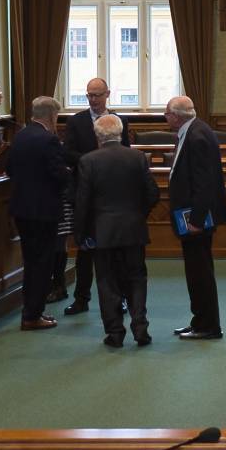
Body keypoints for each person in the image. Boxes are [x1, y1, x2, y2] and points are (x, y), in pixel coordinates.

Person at [75, 114, 159, 348]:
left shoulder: (88, 161)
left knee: (107, 281)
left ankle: (115, 333)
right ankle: (140, 328)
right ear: (121, 134)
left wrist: (80, 234)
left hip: (103, 232)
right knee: (137, 278)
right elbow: (153, 194)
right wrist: (138, 214)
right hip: (133, 230)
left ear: (97, 136)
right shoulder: (137, 157)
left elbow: (82, 202)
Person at [60, 77, 132, 316]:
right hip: (85, 194)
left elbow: (126, 152)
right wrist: (93, 160)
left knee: (117, 251)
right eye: (89, 95)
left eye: (97, 95)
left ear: (107, 94)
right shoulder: (76, 121)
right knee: (84, 251)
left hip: (113, 195)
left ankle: (120, 298)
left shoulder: (120, 121)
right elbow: (67, 153)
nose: (93, 100)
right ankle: (81, 299)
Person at [165, 96, 226, 340]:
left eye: (167, 113)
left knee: (200, 273)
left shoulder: (197, 135)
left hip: (196, 219)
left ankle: (208, 326)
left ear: (176, 116)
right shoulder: (193, 130)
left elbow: (205, 183)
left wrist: (196, 220)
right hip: (193, 216)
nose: (165, 117)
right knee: (196, 272)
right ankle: (200, 321)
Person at [8, 95, 69, 331]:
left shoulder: (20, 136)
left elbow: (10, 169)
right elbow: (58, 174)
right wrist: (68, 173)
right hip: (43, 211)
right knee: (42, 264)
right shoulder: (49, 140)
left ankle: (30, 311)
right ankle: (33, 315)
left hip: (22, 210)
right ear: (52, 116)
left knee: (30, 262)